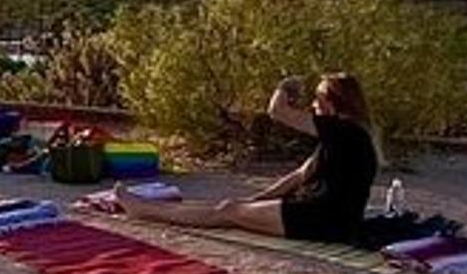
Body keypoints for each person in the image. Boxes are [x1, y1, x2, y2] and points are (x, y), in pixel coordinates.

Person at [118, 73, 379, 241]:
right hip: (326, 218)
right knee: (231, 208)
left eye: (318, 99)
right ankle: (148, 209)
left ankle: (145, 210)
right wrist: (255, 200)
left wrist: (285, 86)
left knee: (228, 211)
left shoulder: (344, 130)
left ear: (334, 103)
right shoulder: (347, 136)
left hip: (322, 222)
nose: (313, 105)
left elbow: (277, 112)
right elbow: (299, 176)